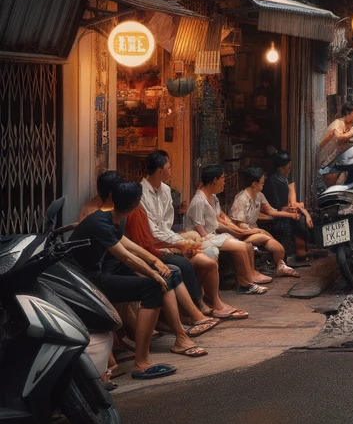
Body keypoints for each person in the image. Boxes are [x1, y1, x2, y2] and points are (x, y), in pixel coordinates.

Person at [71, 182, 208, 379]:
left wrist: (154, 262)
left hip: (104, 271)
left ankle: (180, 338)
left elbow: (127, 245)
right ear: (136, 206)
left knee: (165, 274)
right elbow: (125, 256)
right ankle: (141, 362)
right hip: (89, 282)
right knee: (152, 288)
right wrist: (153, 273)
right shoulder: (99, 221)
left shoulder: (116, 218)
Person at [139, 151, 248, 319]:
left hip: (169, 240)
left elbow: (166, 225)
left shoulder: (166, 190)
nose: (171, 171)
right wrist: (180, 242)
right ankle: (199, 305)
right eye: (169, 167)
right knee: (199, 261)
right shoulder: (141, 194)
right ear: (160, 171)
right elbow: (153, 231)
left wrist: (182, 241)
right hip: (154, 245)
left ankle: (215, 302)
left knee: (210, 259)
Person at [123, 204, 217, 337]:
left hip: (154, 248)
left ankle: (193, 313)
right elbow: (135, 249)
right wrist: (161, 256)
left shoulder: (138, 210)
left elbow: (147, 241)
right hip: (136, 258)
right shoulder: (125, 215)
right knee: (171, 272)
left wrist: (174, 246)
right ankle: (182, 328)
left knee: (176, 269)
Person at [184, 164, 273, 295]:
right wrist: (235, 233)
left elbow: (220, 219)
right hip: (202, 239)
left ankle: (249, 279)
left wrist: (237, 230)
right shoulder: (199, 201)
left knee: (247, 245)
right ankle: (245, 285)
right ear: (215, 181)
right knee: (241, 247)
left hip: (213, 235)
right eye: (222, 179)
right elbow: (200, 231)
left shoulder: (213, 198)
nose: (224, 182)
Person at [228, 166, 301, 278]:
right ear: (254, 184)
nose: (263, 185)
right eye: (262, 183)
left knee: (279, 249)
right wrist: (257, 231)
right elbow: (239, 224)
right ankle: (253, 272)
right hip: (241, 234)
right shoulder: (241, 199)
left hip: (255, 232)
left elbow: (270, 211)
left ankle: (280, 266)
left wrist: (290, 214)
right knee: (263, 236)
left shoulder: (259, 195)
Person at [263, 151, 314, 263]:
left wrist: (305, 212)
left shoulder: (287, 179)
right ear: (281, 168)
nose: (289, 170)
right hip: (276, 216)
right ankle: (300, 253)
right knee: (298, 221)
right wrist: (296, 210)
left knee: (302, 218)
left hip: (286, 212)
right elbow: (279, 208)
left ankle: (302, 251)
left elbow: (293, 202)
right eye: (287, 168)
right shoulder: (273, 181)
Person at [318, 103, 353, 187]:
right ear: (348, 114)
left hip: (336, 158)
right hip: (326, 161)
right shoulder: (338, 123)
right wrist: (352, 131)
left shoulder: (347, 124)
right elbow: (339, 137)